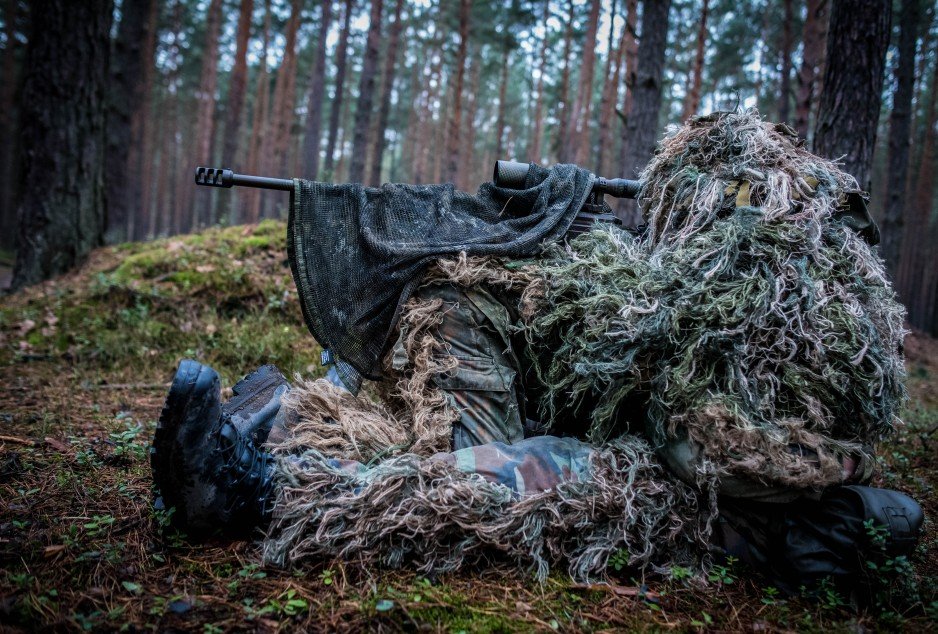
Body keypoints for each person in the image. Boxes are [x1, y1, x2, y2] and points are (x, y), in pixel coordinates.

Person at [150, 111, 922, 599]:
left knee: (517, 479)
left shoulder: (806, 310)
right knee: (466, 299)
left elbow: (710, 455)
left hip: (700, 505)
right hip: (658, 445)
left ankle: (266, 493)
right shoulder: (752, 272)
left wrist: (649, 366)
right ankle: (282, 420)